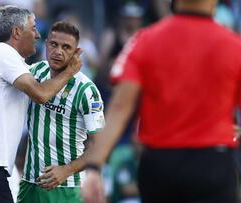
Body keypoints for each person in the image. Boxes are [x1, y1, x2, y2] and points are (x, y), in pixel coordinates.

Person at [82, 0, 241, 203]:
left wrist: (94, 166)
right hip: (213, 163)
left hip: (160, 165)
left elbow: (120, 107)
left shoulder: (145, 40)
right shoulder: (234, 46)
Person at [0, 5, 81, 203]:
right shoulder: (4, 54)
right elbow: (41, 94)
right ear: (17, 32)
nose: (37, 35)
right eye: (33, 28)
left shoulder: (8, 62)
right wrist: (70, 71)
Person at [17, 21, 105, 203]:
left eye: (66, 47)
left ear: (77, 52)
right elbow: (1, 80)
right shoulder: (36, 71)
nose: (58, 51)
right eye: (54, 44)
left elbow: (100, 145)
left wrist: (66, 170)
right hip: (29, 184)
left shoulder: (87, 90)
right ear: (46, 43)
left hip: (66, 188)